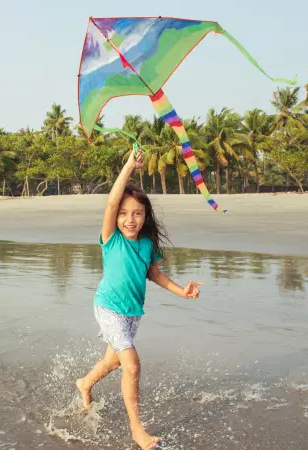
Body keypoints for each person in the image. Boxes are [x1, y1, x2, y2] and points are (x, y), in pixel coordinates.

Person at [75, 150, 202, 450]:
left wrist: (181, 291)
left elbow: (155, 275)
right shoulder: (111, 238)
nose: (129, 220)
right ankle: (137, 430)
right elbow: (110, 201)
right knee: (131, 364)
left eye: (137, 214)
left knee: (113, 361)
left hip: (133, 313)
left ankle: (84, 383)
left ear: (145, 216)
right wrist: (130, 165)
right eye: (123, 214)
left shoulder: (146, 244)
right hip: (108, 308)